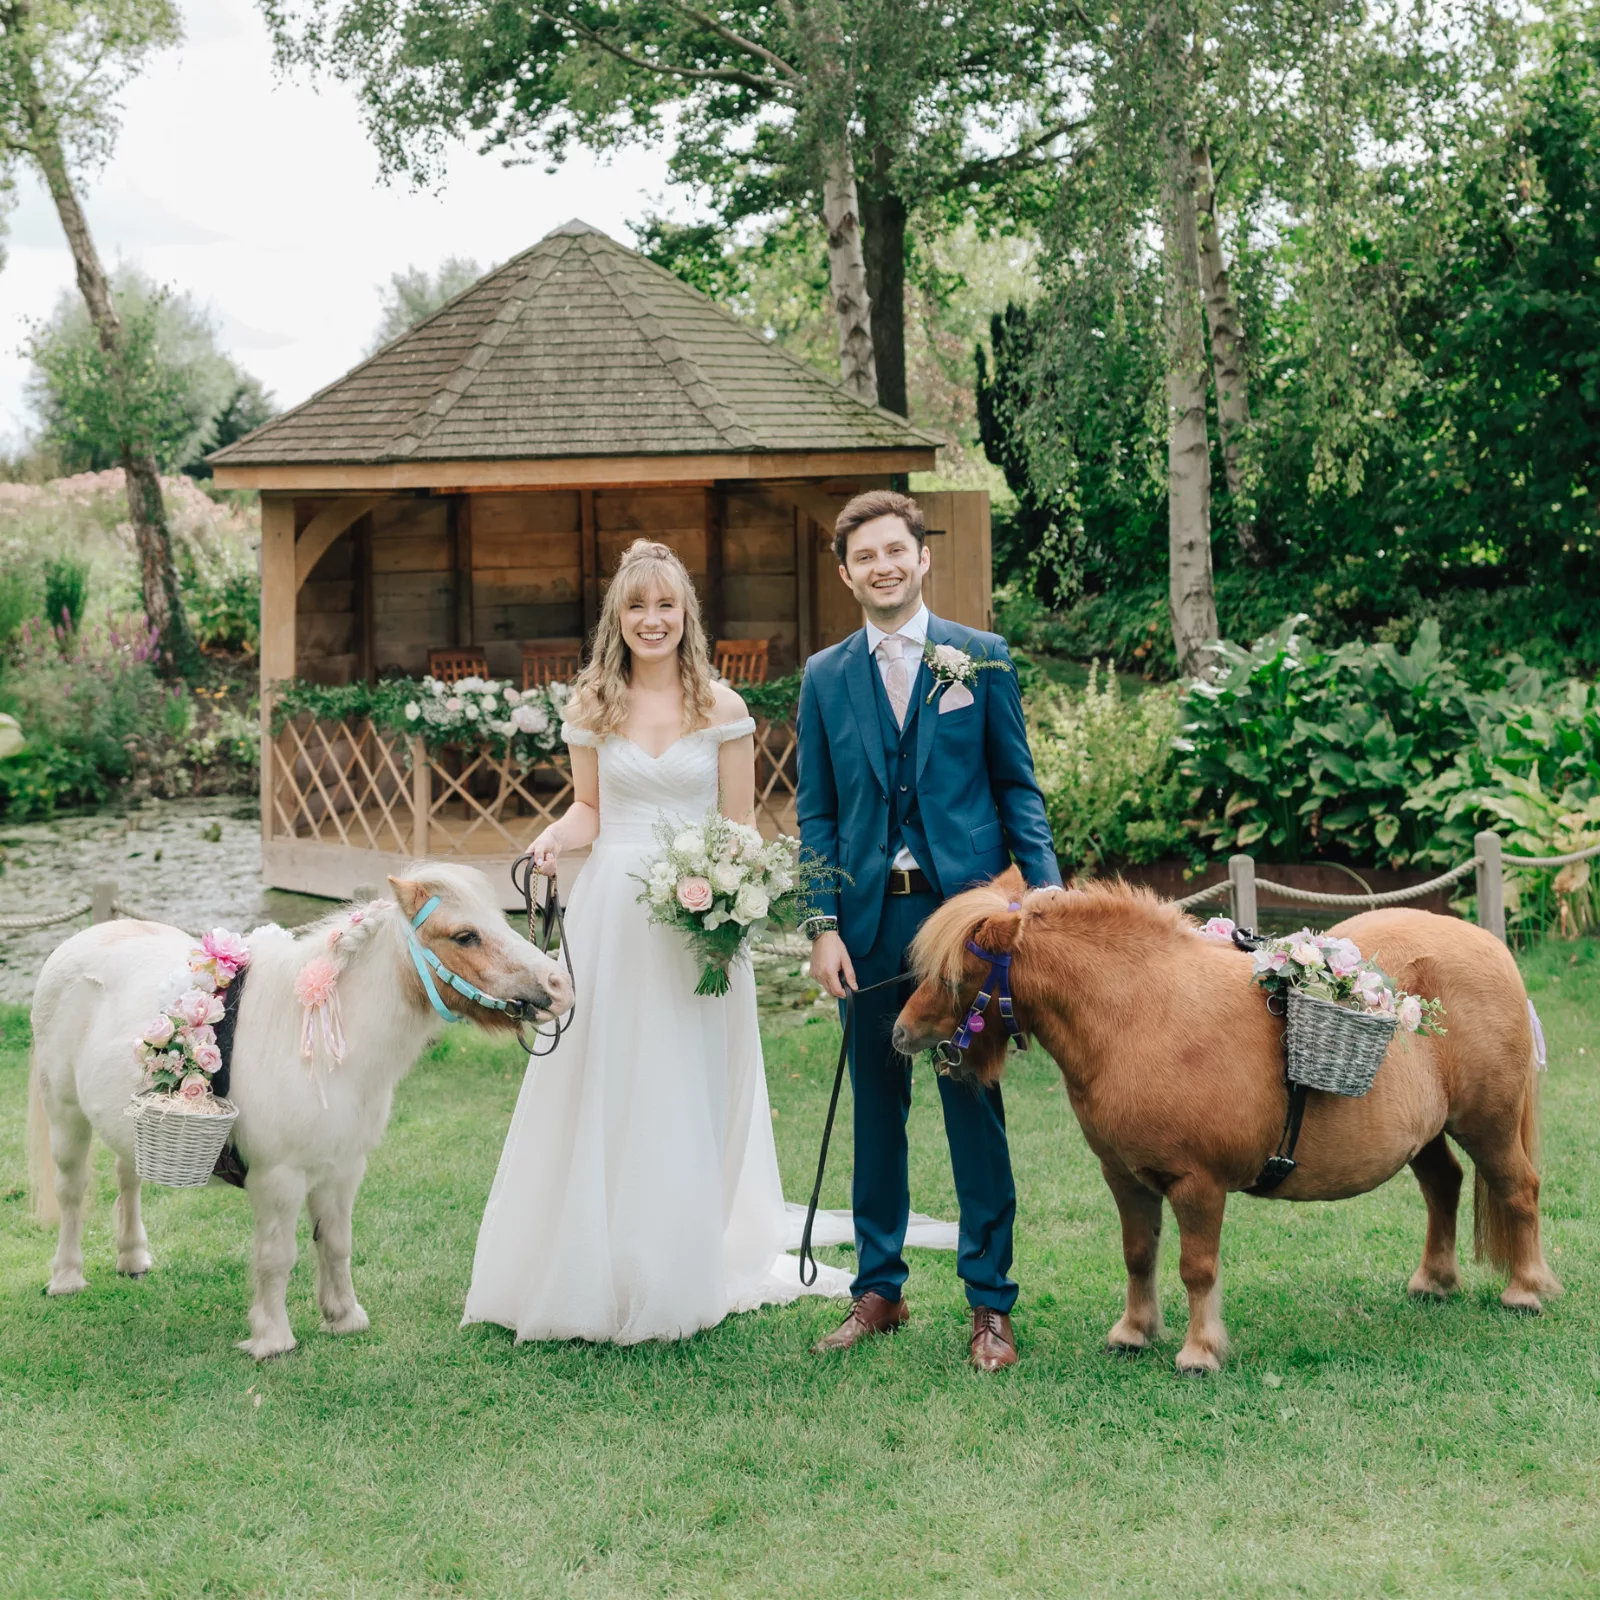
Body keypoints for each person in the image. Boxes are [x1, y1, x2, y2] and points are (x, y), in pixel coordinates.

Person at [463, 539, 850, 1343]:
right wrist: (553, 837)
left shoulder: (723, 708)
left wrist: (730, 894)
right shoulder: (591, 706)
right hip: (611, 911)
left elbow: (738, 823)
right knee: (606, 1074)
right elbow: (591, 810)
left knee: (688, 1075)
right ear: (618, 617)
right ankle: (598, 1252)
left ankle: (680, 1253)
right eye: (637, 606)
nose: (652, 619)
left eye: (665, 605)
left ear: (685, 615)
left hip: (696, 922)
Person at [796, 490, 1062, 1372]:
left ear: (922, 557)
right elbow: (817, 812)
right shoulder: (824, 676)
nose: (882, 566)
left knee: (973, 1104)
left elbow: (1017, 788)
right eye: (864, 556)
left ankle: (990, 1302)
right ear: (846, 574)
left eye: (894, 550)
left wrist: (1048, 900)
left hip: (965, 932)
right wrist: (821, 925)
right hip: (870, 928)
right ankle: (879, 1289)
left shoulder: (979, 658)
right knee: (878, 1109)